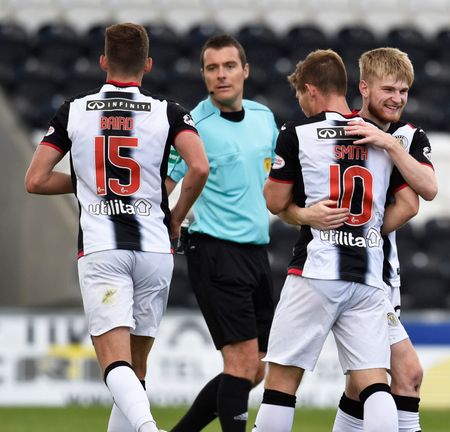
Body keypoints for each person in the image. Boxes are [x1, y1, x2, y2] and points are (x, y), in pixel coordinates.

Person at [24, 23, 209, 432]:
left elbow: (35, 180)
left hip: (103, 249)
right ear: (148, 64)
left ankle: (147, 429)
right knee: (136, 368)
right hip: (155, 249)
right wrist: (175, 218)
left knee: (114, 363)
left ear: (104, 62)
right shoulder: (169, 111)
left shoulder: (74, 110)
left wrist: (87, 179)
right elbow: (199, 166)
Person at [254, 49, 404, 432]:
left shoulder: (297, 134)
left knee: (282, 383)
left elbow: (274, 201)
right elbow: (412, 201)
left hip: (316, 270)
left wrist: (303, 213)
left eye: (301, 97)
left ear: (310, 91)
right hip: (369, 276)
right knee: (375, 385)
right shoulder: (380, 137)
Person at [165, 34, 279, 432]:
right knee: (241, 364)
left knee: (257, 370)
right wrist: (170, 219)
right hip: (214, 250)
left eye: (229, 66)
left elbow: (282, 180)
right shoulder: (193, 125)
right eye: (212, 68)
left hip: (255, 252)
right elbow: (165, 181)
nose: (221, 75)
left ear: (245, 70)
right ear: (203, 75)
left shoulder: (264, 118)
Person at [333, 47, 437, 432]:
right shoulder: (340, 131)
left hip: (383, 274)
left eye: (404, 91)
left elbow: (426, 190)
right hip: (356, 274)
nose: (397, 99)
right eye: (388, 89)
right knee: (406, 373)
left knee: (362, 385)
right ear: (364, 87)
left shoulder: (407, 136)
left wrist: (389, 143)